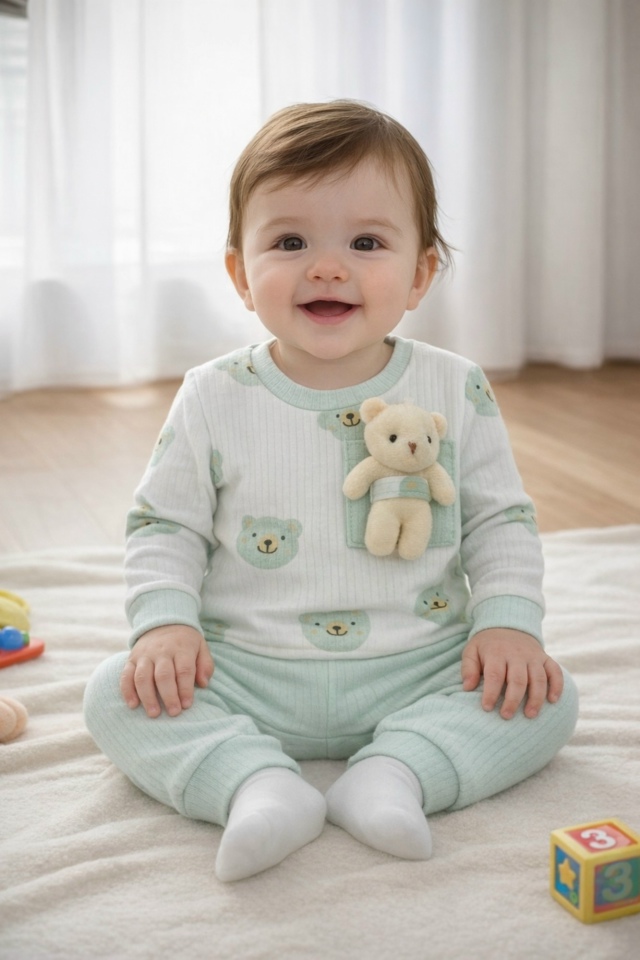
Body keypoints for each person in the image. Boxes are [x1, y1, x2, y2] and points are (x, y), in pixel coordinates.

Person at [84, 100, 578, 883]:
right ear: (241, 274)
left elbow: (500, 520)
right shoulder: (212, 394)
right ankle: (255, 784)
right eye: (290, 243)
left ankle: (398, 772)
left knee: (547, 695)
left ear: (419, 274)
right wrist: (166, 627)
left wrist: (509, 626)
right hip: (245, 669)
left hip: (420, 666)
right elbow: (163, 524)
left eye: (366, 243)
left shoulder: (455, 386)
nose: (326, 267)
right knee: (114, 693)